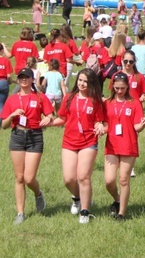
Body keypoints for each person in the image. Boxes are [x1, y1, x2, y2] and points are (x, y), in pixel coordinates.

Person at [49, 69, 107, 223]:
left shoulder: (95, 100)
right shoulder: (69, 97)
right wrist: (48, 123)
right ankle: (78, 197)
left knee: (83, 177)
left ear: (91, 83)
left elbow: (99, 121)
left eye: (85, 81)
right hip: (69, 141)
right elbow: (62, 118)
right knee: (68, 179)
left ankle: (85, 211)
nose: (82, 83)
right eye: (80, 80)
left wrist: (100, 126)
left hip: (88, 142)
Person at [1, 68, 53, 224]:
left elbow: (50, 115)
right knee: (19, 177)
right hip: (17, 136)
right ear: (18, 80)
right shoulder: (12, 99)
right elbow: (4, 125)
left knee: (29, 178)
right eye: (21, 77)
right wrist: (12, 115)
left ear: (32, 79)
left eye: (26, 77)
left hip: (34, 136)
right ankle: (20, 213)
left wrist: (48, 119)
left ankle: (38, 194)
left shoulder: (39, 97)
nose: (23, 80)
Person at [103, 73, 145, 220]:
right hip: (111, 144)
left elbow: (136, 127)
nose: (119, 91)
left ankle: (122, 212)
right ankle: (117, 199)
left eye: (122, 88)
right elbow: (104, 123)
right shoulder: (108, 103)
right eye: (116, 88)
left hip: (128, 144)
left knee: (123, 179)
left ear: (127, 87)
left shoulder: (134, 102)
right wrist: (101, 128)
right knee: (109, 180)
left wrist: (143, 124)